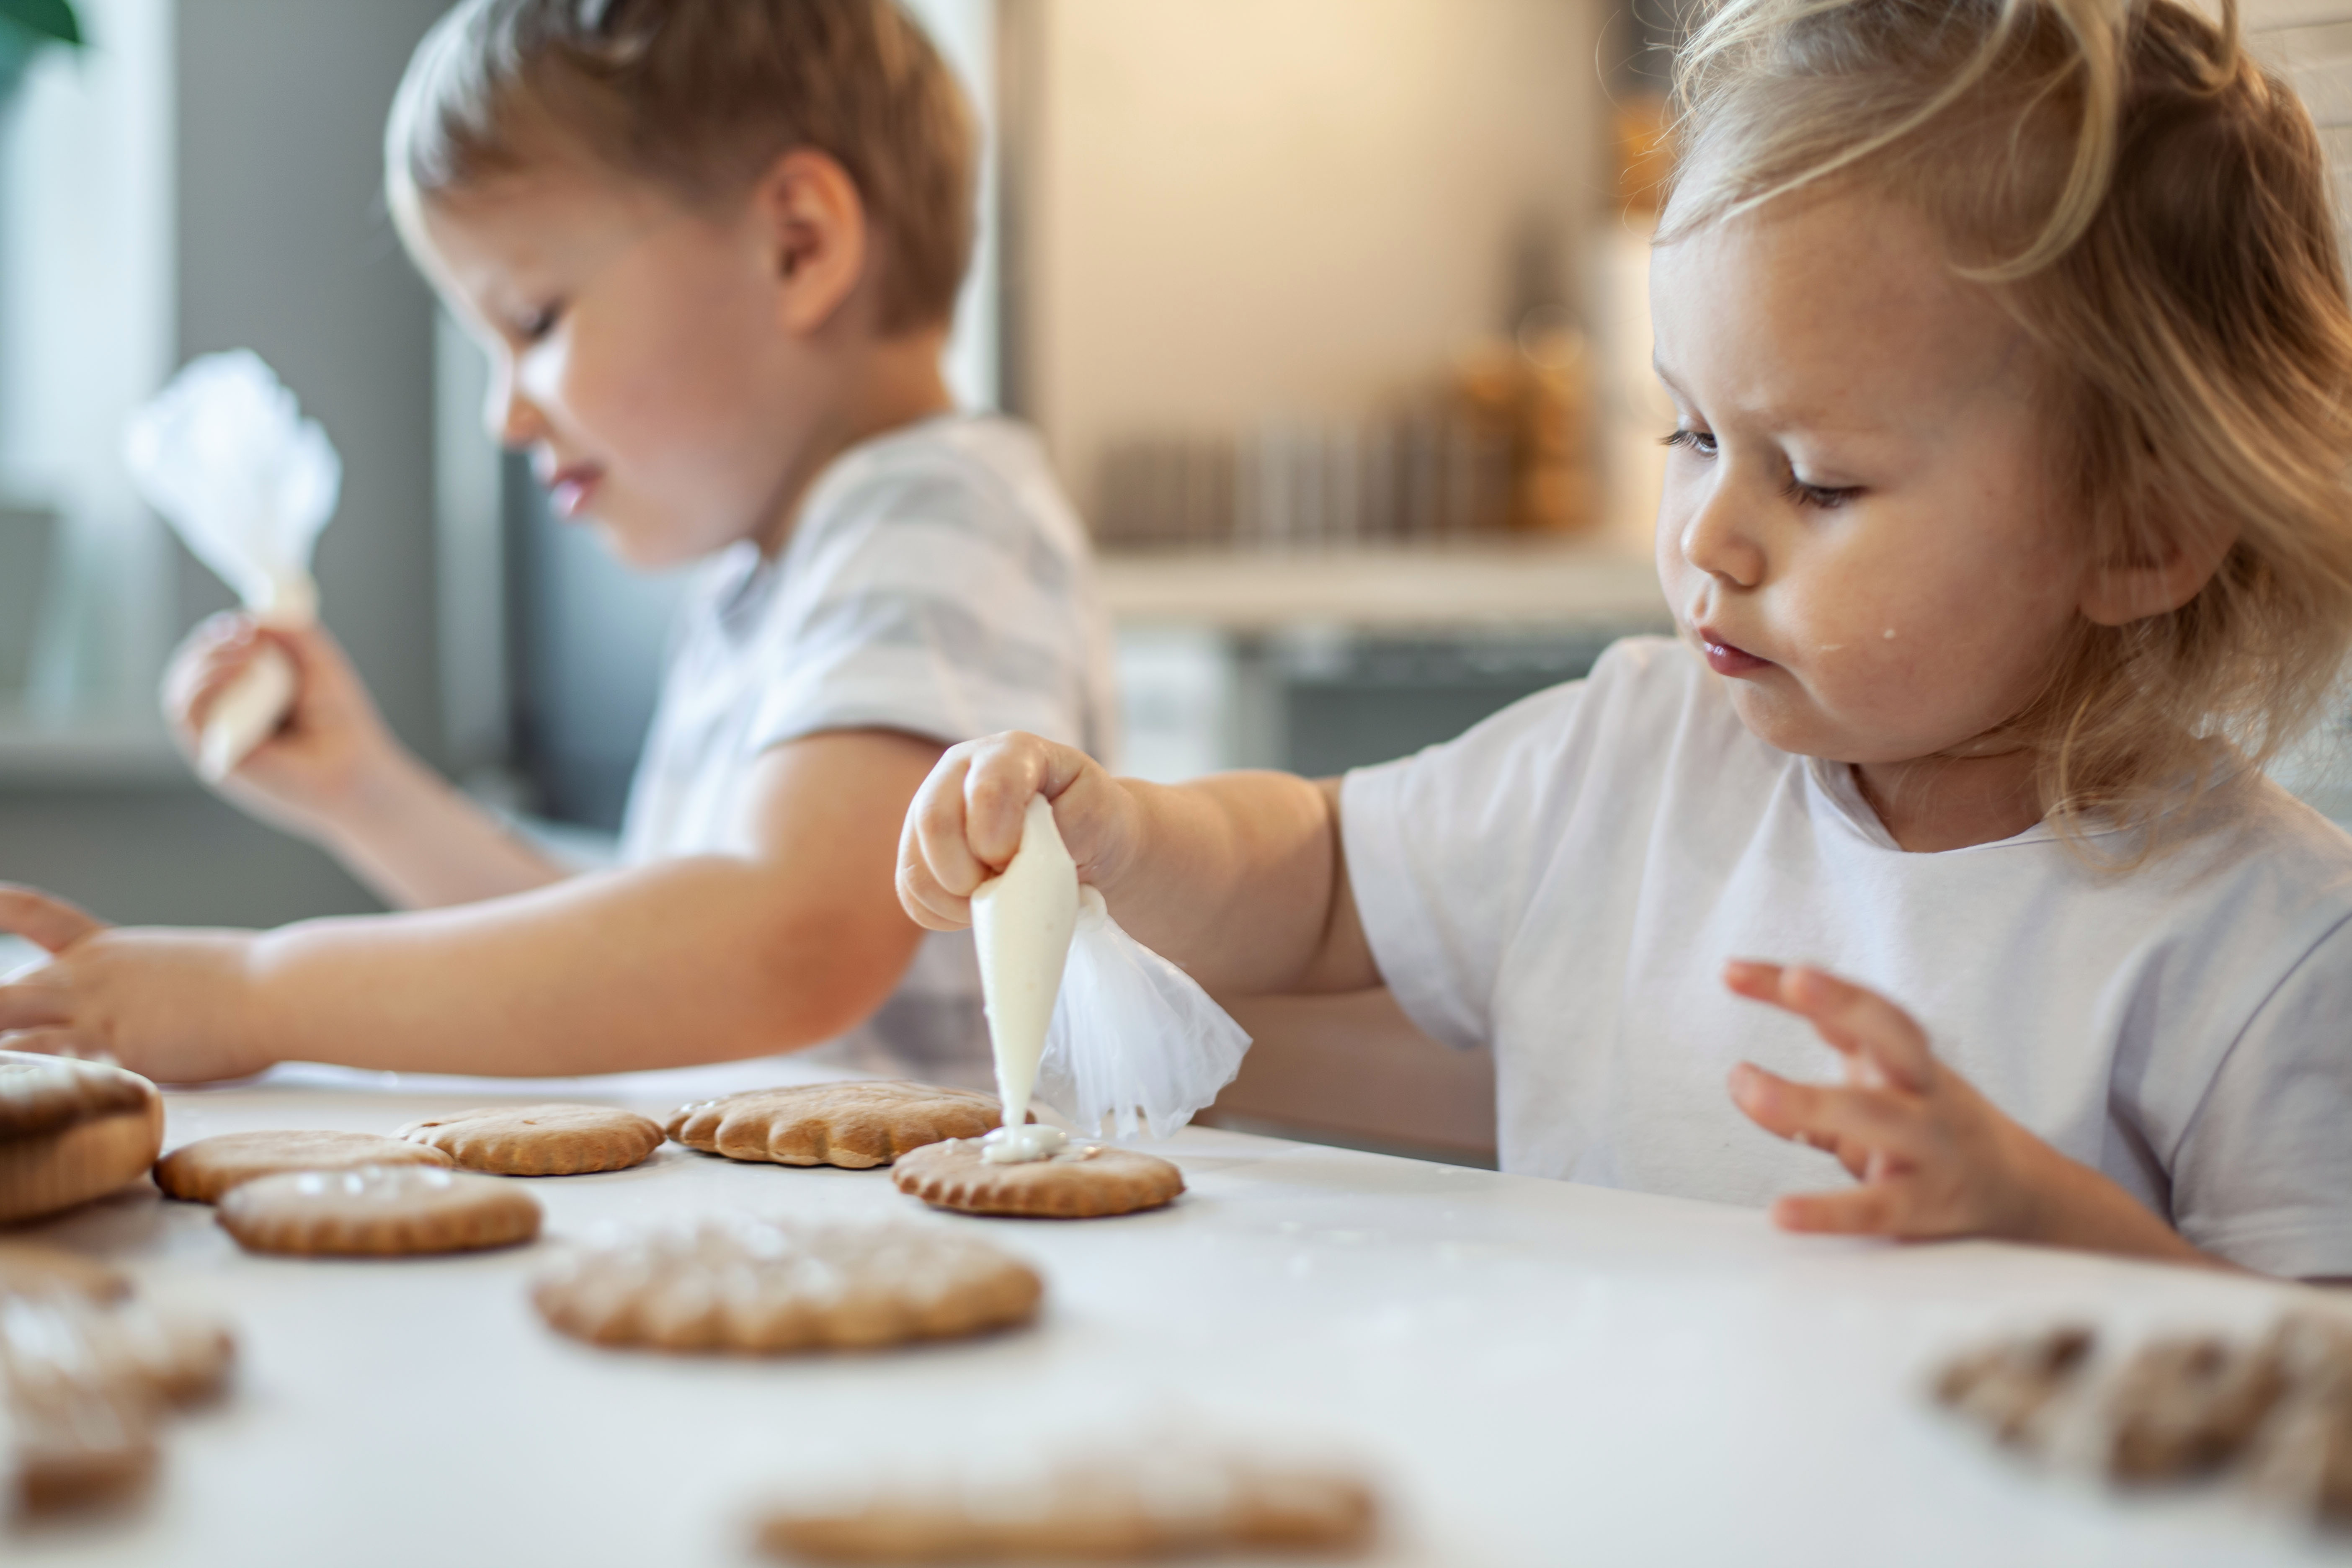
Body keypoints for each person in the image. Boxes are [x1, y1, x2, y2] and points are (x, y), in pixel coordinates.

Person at [899, 0, 2352, 1277]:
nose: (1711, 537)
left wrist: (2058, 1233)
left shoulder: (2269, 953)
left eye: (1819, 481)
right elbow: (1320, 877)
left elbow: (2313, 1396)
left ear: (2142, 535)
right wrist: (1127, 839)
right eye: (1693, 432)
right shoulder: (1627, 757)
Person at [0, 0, 1113, 1086]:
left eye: (534, 321)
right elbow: (636, 959)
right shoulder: (777, 578)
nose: (506, 417)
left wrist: (255, 994)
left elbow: (778, 946)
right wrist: (367, 792)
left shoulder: (937, 518)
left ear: (797, 245)